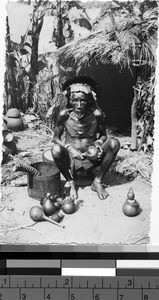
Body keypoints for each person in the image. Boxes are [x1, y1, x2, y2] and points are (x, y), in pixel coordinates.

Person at [52, 75, 120, 200]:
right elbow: (55, 138)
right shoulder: (64, 116)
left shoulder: (96, 115)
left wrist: (98, 143)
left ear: (88, 100)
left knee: (114, 143)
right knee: (55, 150)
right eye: (75, 101)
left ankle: (97, 181)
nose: (79, 105)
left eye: (82, 100)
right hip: (71, 157)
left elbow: (104, 135)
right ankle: (70, 181)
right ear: (69, 101)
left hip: (91, 157)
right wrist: (69, 148)